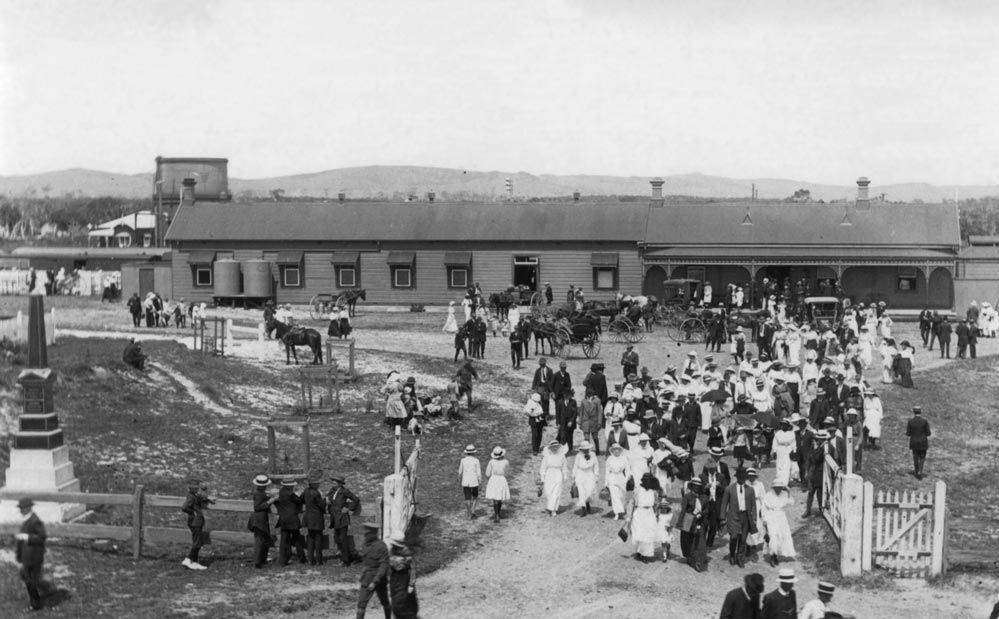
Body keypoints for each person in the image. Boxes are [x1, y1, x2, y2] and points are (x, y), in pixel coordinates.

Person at [720, 467, 759, 567]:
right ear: (737, 478)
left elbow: (754, 505)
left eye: (744, 478)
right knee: (733, 537)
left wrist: (754, 517)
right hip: (733, 516)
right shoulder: (729, 489)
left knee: (743, 539)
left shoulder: (750, 490)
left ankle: (740, 557)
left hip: (745, 517)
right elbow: (724, 504)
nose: (742, 479)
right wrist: (722, 518)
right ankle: (732, 554)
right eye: (740, 477)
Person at [15, 497, 47, 611]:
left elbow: (41, 537)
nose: (20, 511)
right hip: (27, 556)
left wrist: (27, 537)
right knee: (28, 579)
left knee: (31, 580)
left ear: (28, 508)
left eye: (22, 508)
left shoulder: (35, 521)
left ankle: (35, 604)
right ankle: (35, 601)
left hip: (34, 556)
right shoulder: (27, 519)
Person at [357, 522, 392, 619]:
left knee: (385, 602)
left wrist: (375, 581)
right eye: (365, 534)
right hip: (366, 578)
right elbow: (364, 557)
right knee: (361, 604)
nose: (365, 536)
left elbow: (383, 566)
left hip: (379, 579)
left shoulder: (381, 546)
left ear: (373, 534)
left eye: (367, 534)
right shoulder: (365, 545)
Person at [328, 474, 362, 566]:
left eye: (335, 481)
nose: (333, 483)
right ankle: (344, 557)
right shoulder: (332, 490)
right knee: (338, 539)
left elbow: (356, 500)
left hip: (342, 518)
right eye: (333, 481)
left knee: (343, 539)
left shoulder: (344, 491)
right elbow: (329, 499)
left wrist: (349, 508)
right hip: (335, 518)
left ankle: (346, 561)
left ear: (340, 483)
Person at [180, 478, 214, 570]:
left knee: (198, 541)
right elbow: (184, 507)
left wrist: (208, 498)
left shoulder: (193, 495)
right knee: (197, 543)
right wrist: (192, 512)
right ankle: (188, 559)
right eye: (195, 488)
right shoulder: (191, 496)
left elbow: (200, 497)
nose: (197, 489)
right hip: (195, 522)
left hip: (196, 521)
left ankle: (194, 562)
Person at [761, 481, 795, 567]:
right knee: (773, 536)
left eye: (780, 487)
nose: (778, 489)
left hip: (781, 518)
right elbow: (763, 509)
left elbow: (791, 502)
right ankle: (772, 556)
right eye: (777, 487)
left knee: (782, 536)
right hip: (771, 517)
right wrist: (764, 521)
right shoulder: (768, 495)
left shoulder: (784, 494)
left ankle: (776, 555)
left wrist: (788, 492)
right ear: (773, 487)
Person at [629, 472, 661, 563]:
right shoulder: (638, 490)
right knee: (639, 533)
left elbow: (656, 504)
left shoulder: (654, 491)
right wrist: (629, 516)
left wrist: (657, 515)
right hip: (639, 513)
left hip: (650, 513)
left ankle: (646, 554)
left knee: (649, 534)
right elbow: (632, 503)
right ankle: (639, 552)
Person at [678, 477, 708, 572]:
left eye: (698, 486)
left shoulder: (704, 497)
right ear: (691, 487)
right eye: (694, 486)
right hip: (688, 519)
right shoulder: (687, 496)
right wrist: (680, 521)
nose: (696, 488)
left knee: (700, 541)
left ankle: (699, 560)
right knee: (687, 540)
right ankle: (690, 558)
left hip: (700, 520)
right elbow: (683, 509)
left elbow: (707, 509)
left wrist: (701, 514)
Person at [247, 475, 277, 568]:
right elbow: (258, 507)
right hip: (259, 520)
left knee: (263, 540)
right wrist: (271, 500)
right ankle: (258, 562)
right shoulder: (258, 494)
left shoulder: (261, 493)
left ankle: (261, 560)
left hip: (261, 519)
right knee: (259, 541)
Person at [276, 476, 306, 565]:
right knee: (297, 539)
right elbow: (299, 500)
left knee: (284, 540)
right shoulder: (290, 494)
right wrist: (300, 493)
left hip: (284, 519)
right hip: (292, 519)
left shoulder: (281, 492)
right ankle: (302, 558)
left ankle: (283, 559)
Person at [387, 534, 419, 619]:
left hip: (403, 580)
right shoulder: (391, 551)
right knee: (395, 603)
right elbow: (389, 565)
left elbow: (412, 570)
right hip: (394, 580)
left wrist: (411, 584)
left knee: (403, 603)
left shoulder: (406, 553)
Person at [302, 470, 326, 565]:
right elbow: (322, 505)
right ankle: (319, 560)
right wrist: (325, 501)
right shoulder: (316, 493)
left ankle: (310, 559)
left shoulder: (306, 491)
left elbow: (300, 500)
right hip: (317, 518)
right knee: (318, 539)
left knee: (310, 539)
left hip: (308, 517)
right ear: (314, 484)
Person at [539, 440, 568, 517]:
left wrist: (565, 475)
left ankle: (554, 509)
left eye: (556, 447)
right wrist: (542, 476)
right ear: (550, 448)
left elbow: (564, 466)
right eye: (553, 447)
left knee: (556, 491)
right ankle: (550, 506)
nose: (555, 449)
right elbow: (543, 467)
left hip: (558, 473)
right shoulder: (547, 456)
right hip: (549, 474)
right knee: (548, 491)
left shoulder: (562, 456)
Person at [605, 442, 632, 520]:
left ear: (620, 450)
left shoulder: (624, 458)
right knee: (614, 496)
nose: (616, 451)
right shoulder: (610, 459)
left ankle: (622, 510)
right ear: (612, 451)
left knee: (621, 495)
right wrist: (606, 481)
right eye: (615, 450)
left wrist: (626, 479)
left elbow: (628, 469)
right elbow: (607, 471)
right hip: (612, 477)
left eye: (618, 450)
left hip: (621, 477)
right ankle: (616, 513)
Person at [572, 440, 600, 516]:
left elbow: (596, 465)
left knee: (589, 491)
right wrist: (574, 476)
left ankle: (587, 503)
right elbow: (576, 466)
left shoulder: (593, 454)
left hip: (590, 474)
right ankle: (583, 508)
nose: (586, 450)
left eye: (587, 449)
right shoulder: (578, 456)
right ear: (581, 449)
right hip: (580, 474)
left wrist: (596, 475)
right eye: (584, 449)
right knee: (581, 492)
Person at [485, 446, 511, 522]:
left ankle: (496, 514)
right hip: (501, 478)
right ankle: (498, 513)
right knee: (499, 496)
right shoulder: (505, 462)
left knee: (495, 497)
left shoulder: (491, 462)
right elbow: (507, 472)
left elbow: (487, 473)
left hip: (494, 479)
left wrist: (489, 477)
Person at [906, 406, 931, 479]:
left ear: (914, 412)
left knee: (915, 457)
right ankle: (920, 470)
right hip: (923, 441)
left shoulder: (910, 421)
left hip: (914, 441)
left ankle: (917, 471)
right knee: (922, 457)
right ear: (920, 412)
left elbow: (908, 433)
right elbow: (928, 433)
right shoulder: (924, 421)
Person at [458, 444, 482, 519]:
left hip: (465, 480)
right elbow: (478, 472)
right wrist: (480, 481)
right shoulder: (476, 461)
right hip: (474, 480)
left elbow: (460, 471)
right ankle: (473, 511)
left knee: (467, 497)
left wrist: (459, 478)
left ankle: (469, 513)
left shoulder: (463, 460)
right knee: (475, 496)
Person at [578, 390, 604, 455]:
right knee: (586, 438)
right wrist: (580, 422)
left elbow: (599, 412)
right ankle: (587, 451)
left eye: (590, 392)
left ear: (592, 393)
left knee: (595, 437)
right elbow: (581, 412)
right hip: (585, 421)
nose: (589, 394)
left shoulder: (597, 400)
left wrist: (599, 423)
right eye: (587, 392)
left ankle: (597, 449)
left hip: (594, 422)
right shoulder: (583, 401)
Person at [556, 388, 578, 452]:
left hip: (570, 423)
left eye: (568, 395)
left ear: (570, 395)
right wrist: (558, 422)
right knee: (562, 436)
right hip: (562, 422)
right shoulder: (560, 402)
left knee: (569, 436)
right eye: (565, 394)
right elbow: (557, 413)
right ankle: (563, 450)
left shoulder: (573, 402)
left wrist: (571, 421)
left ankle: (570, 448)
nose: (566, 396)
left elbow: (575, 413)